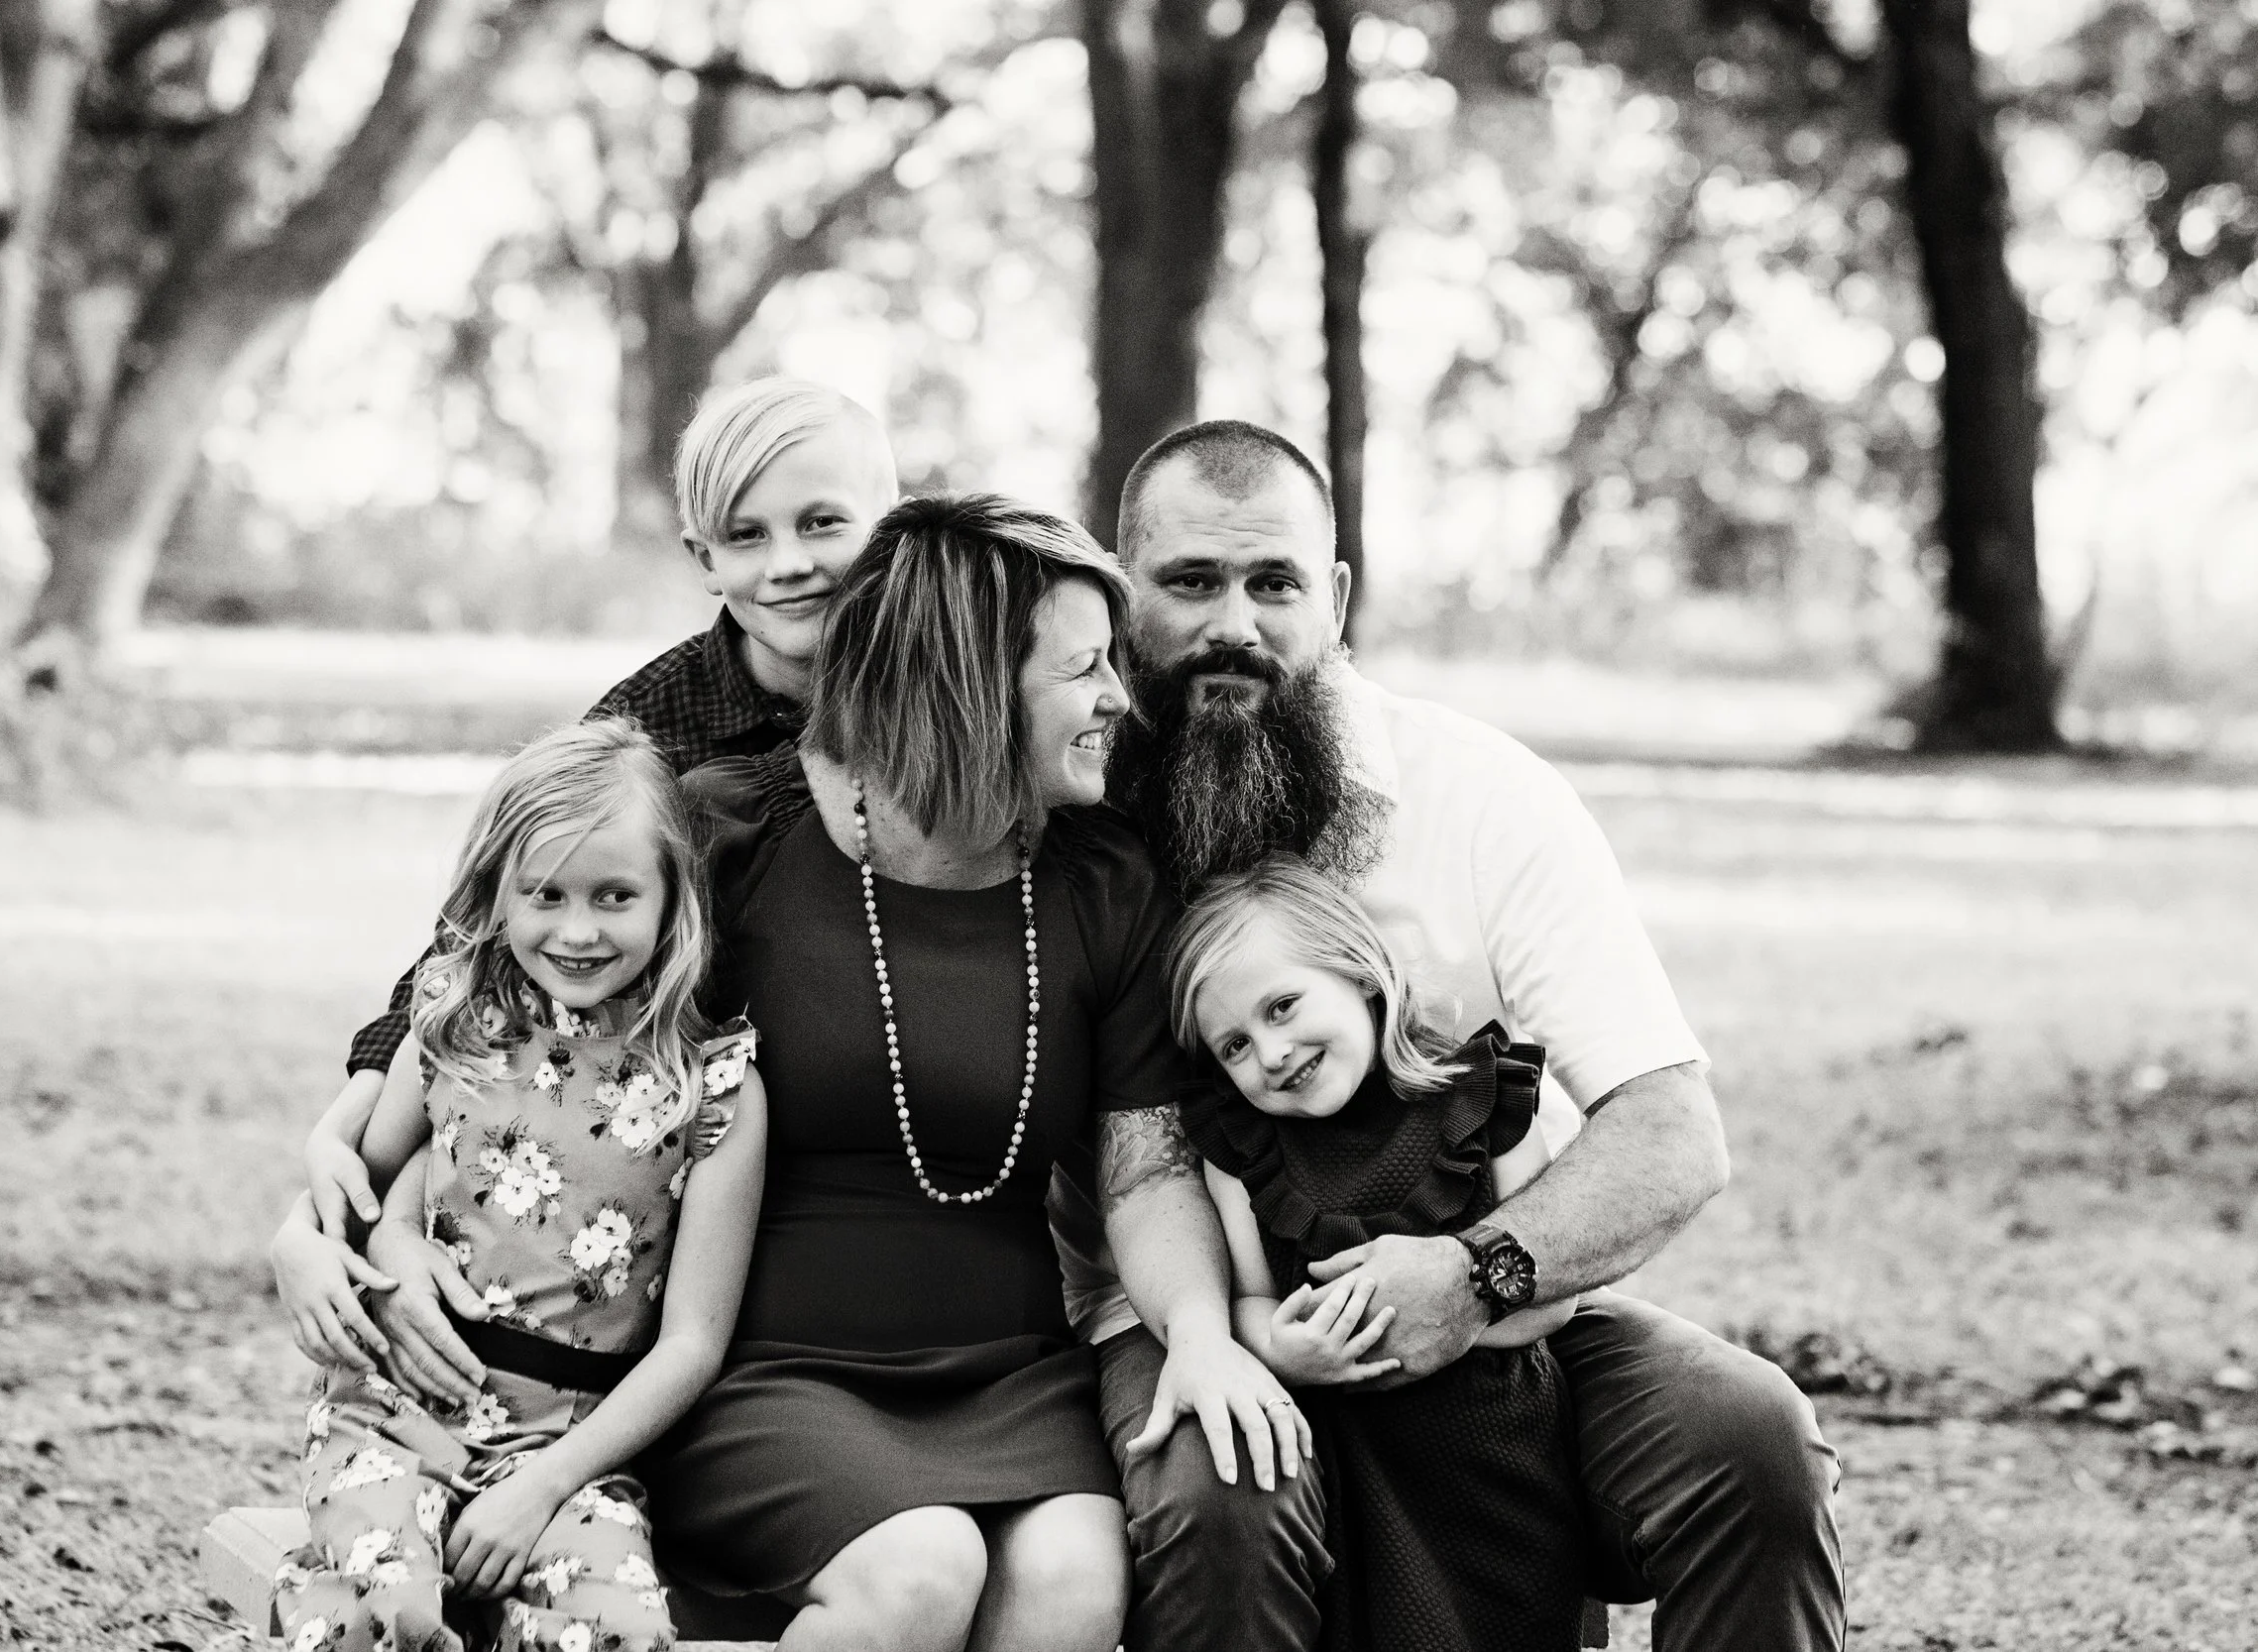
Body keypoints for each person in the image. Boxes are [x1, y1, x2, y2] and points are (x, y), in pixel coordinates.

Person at [1076, 419, 1847, 1652]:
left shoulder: (1483, 795)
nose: (1236, 623)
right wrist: (1226, 1332)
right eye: (1190, 582)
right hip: (1204, 1315)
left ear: (1333, 598)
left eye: (1273, 583)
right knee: (1221, 1485)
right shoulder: (1076, 806)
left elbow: (1671, 1130)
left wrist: (1473, 1274)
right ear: (1122, 599)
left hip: (1492, 1302)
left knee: (1749, 1436)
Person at [637, 494, 1298, 1652]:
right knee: (919, 1569)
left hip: (1009, 1373)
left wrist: (1196, 1330)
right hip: (767, 1365)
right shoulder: (732, 835)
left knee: (1073, 1587)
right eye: (1083, 670)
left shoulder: (1103, 877)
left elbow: (1143, 1167)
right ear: (971, 683)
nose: (1117, 700)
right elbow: (559, 1052)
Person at [274, 378, 898, 1374]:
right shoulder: (653, 723)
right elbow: (481, 937)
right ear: (702, 557)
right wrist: (333, 1169)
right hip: (683, 1145)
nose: (788, 563)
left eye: (823, 523)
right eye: (746, 535)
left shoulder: (942, 700)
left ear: (889, 525)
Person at [267, 719, 769, 1652]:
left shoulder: (716, 1088)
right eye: (544, 895)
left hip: (570, 1456)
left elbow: (692, 1344)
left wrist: (543, 1487)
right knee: (391, 1612)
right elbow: (369, 1196)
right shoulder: (454, 1026)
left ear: (673, 899)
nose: (577, 930)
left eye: (615, 895)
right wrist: (391, 1238)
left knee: (617, 1632)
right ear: (499, 895)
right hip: (394, 1416)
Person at [1170, 855, 1590, 1651]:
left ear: (1360, 972)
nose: (1271, 1051)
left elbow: (1551, 1288)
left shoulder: (1482, 1099)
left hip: (1496, 1453)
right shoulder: (1242, 1151)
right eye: (1233, 1044)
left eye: (1284, 1005)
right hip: (1353, 1462)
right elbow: (1249, 1302)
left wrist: (1454, 1321)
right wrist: (1284, 1353)